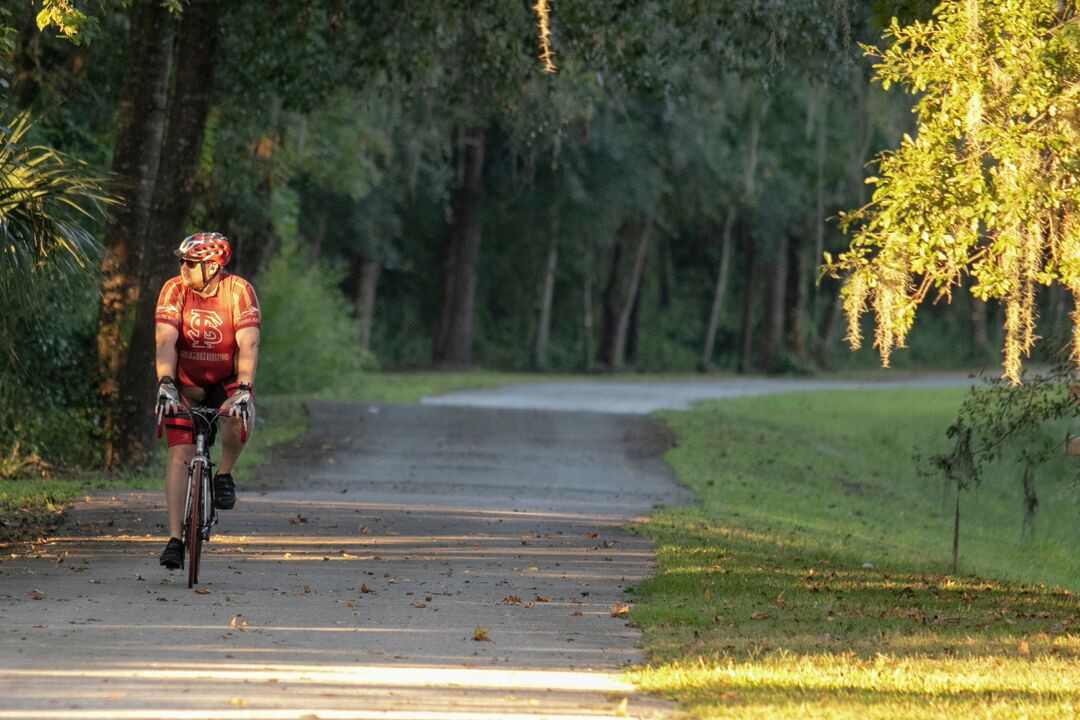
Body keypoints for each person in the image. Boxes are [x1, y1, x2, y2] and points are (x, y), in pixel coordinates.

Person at [153, 232, 261, 570]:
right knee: (179, 455)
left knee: (238, 414)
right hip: (184, 381)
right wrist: (166, 384)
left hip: (225, 380)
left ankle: (225, 473)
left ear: (213, 266)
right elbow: (165, 341)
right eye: (181, 261)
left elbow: (248, 344)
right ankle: (175, 540)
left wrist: (244, 388)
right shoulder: (174, 289)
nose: (182, 267)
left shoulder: (238, 291)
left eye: (190, 262)